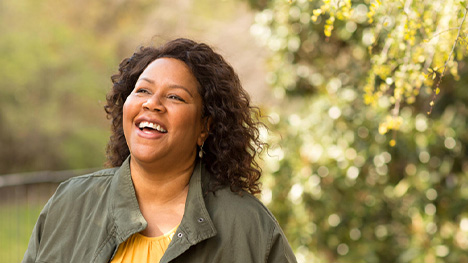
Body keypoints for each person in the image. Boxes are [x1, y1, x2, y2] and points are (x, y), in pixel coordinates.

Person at [22, 38, 297, 263]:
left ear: (205, 127)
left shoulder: (249, 228)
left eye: (175, 96)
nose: (152, 104)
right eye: (142, 91)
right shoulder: (69, 205)